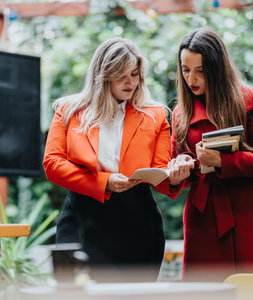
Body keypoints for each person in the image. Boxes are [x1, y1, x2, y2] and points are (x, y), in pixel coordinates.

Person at [43, 37, 185, 281]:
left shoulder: (156, 115)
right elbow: (53, 164)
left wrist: (174, 178)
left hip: (138, 224)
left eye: (135, 74)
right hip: (82, 219)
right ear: (103, 75)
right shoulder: (69, 110)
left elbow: (161, 173)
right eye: (121, 75)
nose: (130, 83)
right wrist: (104, 182)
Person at [170, 28, 253, 281]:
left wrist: (223, 162)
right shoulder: (180, 113)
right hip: (204, 217)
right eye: (185, 69)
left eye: (200, 71)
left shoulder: (250, 99)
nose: (191, 79)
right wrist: (181, 167)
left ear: (217, 68)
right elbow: (179, 170)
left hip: (252, 212)